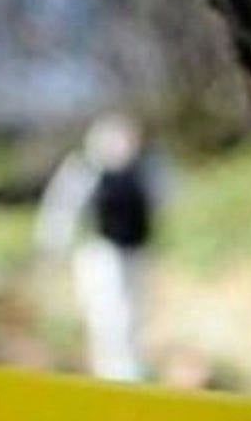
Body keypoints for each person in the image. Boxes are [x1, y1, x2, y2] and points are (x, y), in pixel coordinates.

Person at [34, 113, 168, 381]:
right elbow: (61, 209)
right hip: (100, 254)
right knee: (110, 312)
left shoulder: (145, 168)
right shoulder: (84, 170)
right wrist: (52, 246)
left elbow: (164, 197)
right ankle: (112, 371)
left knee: (136, 310)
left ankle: (133, 366)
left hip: (137, 249)